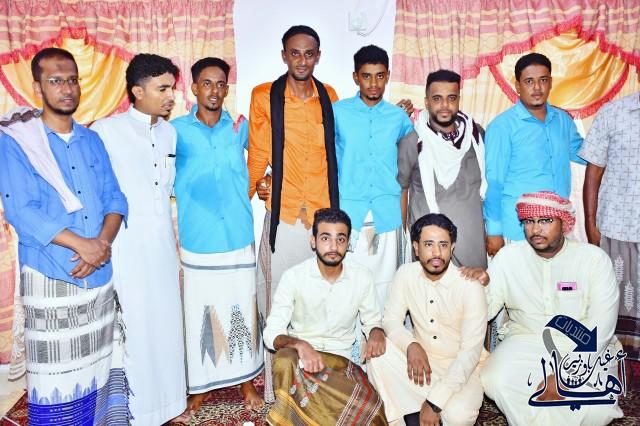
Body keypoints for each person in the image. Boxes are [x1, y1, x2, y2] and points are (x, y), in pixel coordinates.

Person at [0, 48, 129, 424]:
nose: (67, 88)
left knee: (100, 368)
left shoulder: (91, 139)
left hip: (99, 275)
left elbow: (115, 198)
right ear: (38, 86)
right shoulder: (17, 142)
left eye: (72, 80)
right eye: (55, 80)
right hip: (52, 274)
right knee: (57, 378)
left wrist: (101, 245)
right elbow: (22, 210)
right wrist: (83, 246)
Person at [91, 54, 186, 425]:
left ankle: (170, 406)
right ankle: (138, 413)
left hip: (162, 245)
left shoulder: (169, 133)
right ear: (137, 91)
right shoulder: (106, 131)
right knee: (135, 329)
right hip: (125, 247)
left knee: (166, 325)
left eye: (172, 88)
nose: (170, 96)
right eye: (163, 89)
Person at [246, 24, 339, 401]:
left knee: (317, 301)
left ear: (318, 57)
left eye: (309, 53)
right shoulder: (264, 95)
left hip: (321, 217)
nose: (302, 60)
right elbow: (258, 153)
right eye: (295, 53)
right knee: (277, 303)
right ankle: (277, 390)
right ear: (284, 55)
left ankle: (317, 386)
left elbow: (337, 151)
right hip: (283, 215)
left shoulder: (328, 96)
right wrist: (251, 192)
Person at [171, 57, 263, 418]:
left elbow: (269, 153)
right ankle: (200, 386)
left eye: (221, 83)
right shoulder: (175, 130)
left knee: (241, 308)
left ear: (227, 88)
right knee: (201, 313)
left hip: (238, 233)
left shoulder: (239, 128)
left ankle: (246, 381)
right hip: (198, 237)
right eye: (207, 83)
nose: (214, 90)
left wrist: (267, 180)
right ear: (194, 88)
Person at [481, 191, 623, 425]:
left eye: (545, 221)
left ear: (564, 223)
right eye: (529, 221)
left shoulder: (594, 260)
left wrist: (565, 375)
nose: (536, 229)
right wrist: (474, 287)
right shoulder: (508, 258)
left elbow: (602, 326)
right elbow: (483, 311)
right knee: (494, 378)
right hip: (525, 340)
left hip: (584, 346)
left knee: (598, 408)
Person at [262, 208, 387, 425]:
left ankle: (298, 417)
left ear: (348, 243)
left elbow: (372, 321)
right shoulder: (294, 277)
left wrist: (376, 331)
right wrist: (300, 344)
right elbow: (271, 334)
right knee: (284, 360)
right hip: (301, 363)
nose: (333, 246)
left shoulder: (362, 277)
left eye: (341, 239)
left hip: (340, 363)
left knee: (371, 410)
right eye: (325, 238)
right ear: (313, 241)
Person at [368, 214, 488, 426]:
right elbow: (391, 320)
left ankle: (424, 408)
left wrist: (434, 403)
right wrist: (411, 345)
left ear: (452, 248)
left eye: (443, 245)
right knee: (377, 353)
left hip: (462, 369)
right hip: (422, 363)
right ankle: (398, 421)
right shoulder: (405, 274)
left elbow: (470, 353)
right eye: (428, 244)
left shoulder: (470, 286)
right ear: (416, 248)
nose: (436, 253)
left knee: (458, 416)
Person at [333, 45, 414, 309]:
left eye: (380, 76)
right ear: (355, 77)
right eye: (366, 76)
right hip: (350, 212)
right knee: (349, 286)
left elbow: (409, 165)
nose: (373, 83)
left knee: (386, 287)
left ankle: (383, 336)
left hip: (386, 213)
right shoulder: (337, 112)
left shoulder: (398, 118)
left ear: (388, 75)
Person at [483, 53, 585, 256]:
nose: (537, 88)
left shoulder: (563, 120)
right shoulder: (502, 126)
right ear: (518, 85)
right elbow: (494, 182)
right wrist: (494, 231)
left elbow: (585, 153)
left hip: (556, 227)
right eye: (529, 81)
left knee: (558, 277)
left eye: (543, 80)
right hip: (517, 229)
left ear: (551, 83)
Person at [579, 81, 640, 389]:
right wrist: (591, 223)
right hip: (619, 227)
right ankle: (617, 373)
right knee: (614, 305)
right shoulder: (614, 113)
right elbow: (594, 172)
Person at [398, 69, 487, 268]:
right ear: (427, 102)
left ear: (459, 100)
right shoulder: (412, 142)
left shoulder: (476, 137)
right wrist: (405, 238)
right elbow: (402, 190)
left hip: (471, 243)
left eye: (451, 98)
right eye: (437, 99)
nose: (445, 105)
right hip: (429, 246)